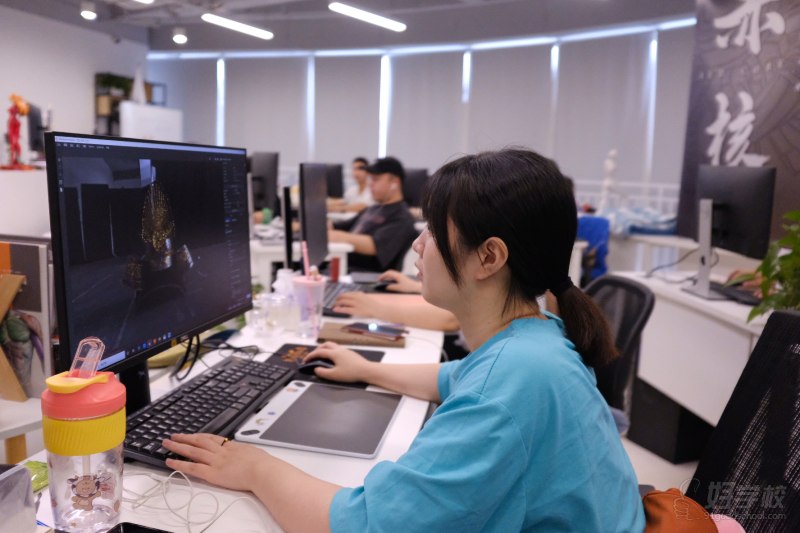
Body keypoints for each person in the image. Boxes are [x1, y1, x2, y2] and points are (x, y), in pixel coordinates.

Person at [162, 148, 644, 531]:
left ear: (489, 258)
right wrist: (366, 369)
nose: (418, 243)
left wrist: (255, 468)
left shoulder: (508, 385)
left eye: (432, 230)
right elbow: (453, 376)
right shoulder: (535, 340)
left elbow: (364, 525)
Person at [328, 156, 418, 273]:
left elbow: (374, 245)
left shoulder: (402, 217)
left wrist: (338, 237)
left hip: (365, 276)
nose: (370, 184)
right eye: (370, 179)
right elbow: (339, 226)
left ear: (394, 183)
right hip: (345, 267)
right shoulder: (373, 208)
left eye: (376, 179)